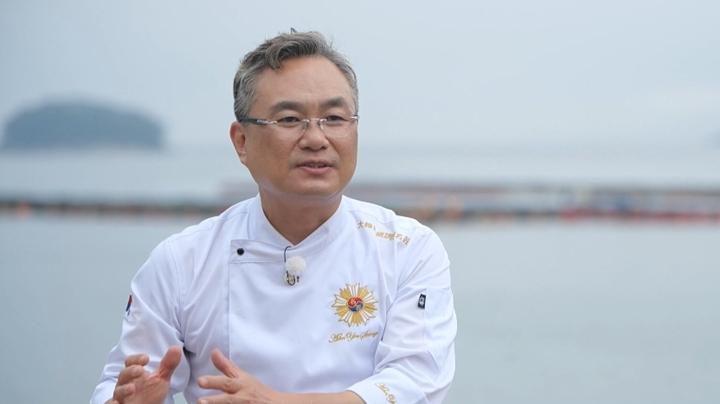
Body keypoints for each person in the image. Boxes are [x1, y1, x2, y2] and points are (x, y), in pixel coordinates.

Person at [91, 30, 457, 404]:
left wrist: (275, 402)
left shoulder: (406, 248)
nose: (316, 138)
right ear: (242, 142)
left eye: (334, 118)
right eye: (290, 119)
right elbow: (119, 383)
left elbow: (414, 383)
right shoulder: (182, 262)